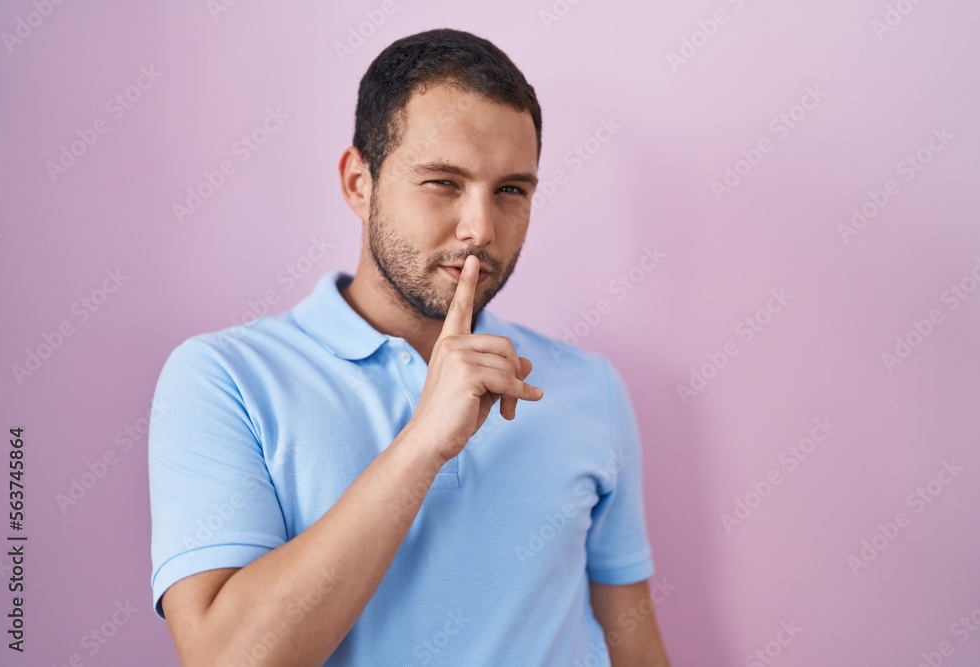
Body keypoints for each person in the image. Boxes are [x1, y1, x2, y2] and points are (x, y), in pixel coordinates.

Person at [148, 27, 672, 666]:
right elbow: (226, 658)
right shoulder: (223, 378)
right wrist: (424, 441)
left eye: (511, 190)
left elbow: (633, 641)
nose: (480, 229)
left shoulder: (590, 388)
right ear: (357, 183)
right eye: (443, 183)